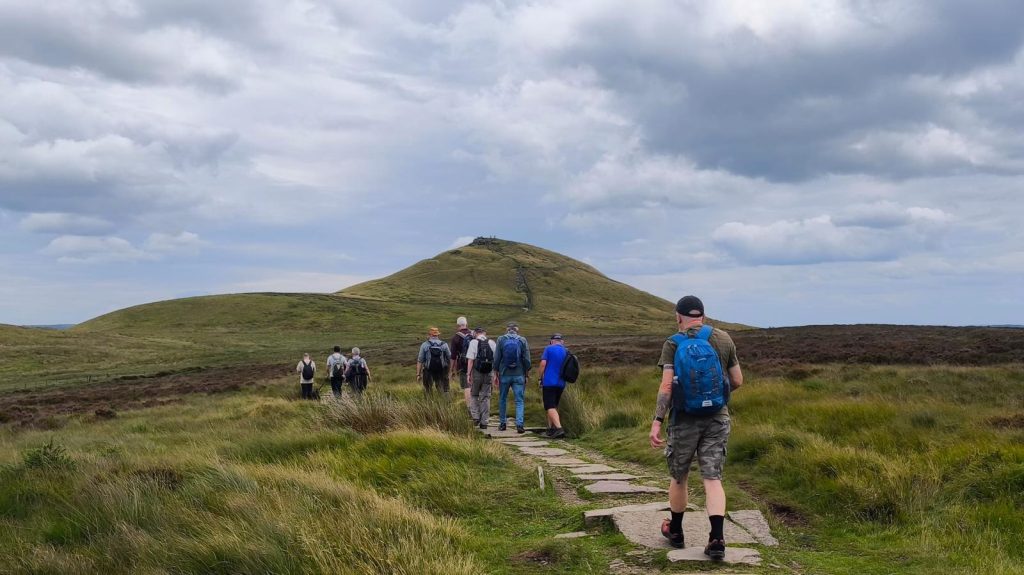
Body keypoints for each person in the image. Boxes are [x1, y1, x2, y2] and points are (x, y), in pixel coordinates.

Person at [649, 296, 744, 560]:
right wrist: (717, 396)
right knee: (712, 478)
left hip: (683, 419)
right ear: (703, 315)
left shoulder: (672, 343)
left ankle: (676, 531)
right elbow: (737, 380)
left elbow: (667, 388)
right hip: (717, 416)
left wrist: (657, 421)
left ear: (678, 316)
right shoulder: (724, 339)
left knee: (680, 475)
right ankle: (716, 538)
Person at [493, 321, 530, 433]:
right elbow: (527, 359)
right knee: (519, 400)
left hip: (504, 374)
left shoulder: (501, 339)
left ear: (507, 329)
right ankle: (519, 425)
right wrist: (526, 374)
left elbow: (497, 358)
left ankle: (503, 424)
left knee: (503, 399)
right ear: (517, 330)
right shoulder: (522, 340)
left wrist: (496, 372)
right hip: (519, 374)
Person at [538, 333, 569, 438]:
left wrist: (540, 378)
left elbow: (543, 364)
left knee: (549, 406)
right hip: (561, 383)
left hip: (549, 382)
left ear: (551, 341)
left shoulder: (548, 349)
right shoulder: (566, 351)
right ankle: (551, 429)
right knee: (554, 406)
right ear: (562, 341)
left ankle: (559, 429)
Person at [465, 326, 496, 429]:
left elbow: (470, 360)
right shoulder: (492, 343)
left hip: (476, 373)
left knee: (474, 394)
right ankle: (484, 422)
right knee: (486, 397)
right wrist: (496, 375)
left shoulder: (473, 342)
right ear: (484, 333)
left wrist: (468, 374)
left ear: (476, 333)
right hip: (488, 373)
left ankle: (475, 417)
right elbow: (495, 361)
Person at [450, 316, 475, 419]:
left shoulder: (456, 338)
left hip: (463, 365)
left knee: (466, 387)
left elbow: (453, 356)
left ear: (457, 326)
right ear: (466, 324)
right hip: (476, 364)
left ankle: (470, 409)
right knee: (476, 386)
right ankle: (478, 408)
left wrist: (452, 370)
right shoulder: (474, 334)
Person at [416, 327, 451, 396]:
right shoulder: (444, 344)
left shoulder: (424, 345)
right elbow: (450, 358)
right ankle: (444, 403)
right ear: (438, 335)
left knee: (428, 389)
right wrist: (450, 371)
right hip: (442, 370)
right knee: (442, 389)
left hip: (428, 370)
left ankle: (429, 404)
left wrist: (418, 374)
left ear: (429, 335)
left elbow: (420, 360)